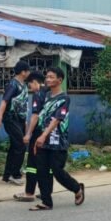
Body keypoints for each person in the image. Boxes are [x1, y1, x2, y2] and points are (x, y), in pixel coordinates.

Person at [31, 66, 84, 210]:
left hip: (58, 140)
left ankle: (77, 188)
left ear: (59, 80)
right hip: (43, 140)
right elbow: (38, 115)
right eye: (47, 77)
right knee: (41, 170)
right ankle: (46, 202)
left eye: (51, 77)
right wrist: (34, 135)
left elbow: (57, 119)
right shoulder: (45, 96)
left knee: (57, 170)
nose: (48, 79)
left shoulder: (64, 98)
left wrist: (43, 135)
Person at [0, 61, 30, 186]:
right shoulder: (13, 85)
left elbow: (24, 104)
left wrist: (25, 122)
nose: (29, 73)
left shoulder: (24, 86)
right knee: (20, 145)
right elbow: (4, 101)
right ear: (23, 72)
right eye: (28, 71)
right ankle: (15, 174)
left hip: (20, 120)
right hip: (11, 119)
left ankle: (7, 175)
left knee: (15, 146)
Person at [13, 71, 46, 203]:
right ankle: (45, 191)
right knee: (45, 163)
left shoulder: (38, 94)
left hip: (38, 133)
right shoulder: (50, 93)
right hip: (48, 133)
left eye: (30, 85)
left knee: (32, 163)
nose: (30, 88)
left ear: (35, 82)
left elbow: (35, 116)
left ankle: (29, 192)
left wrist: (28, 133)